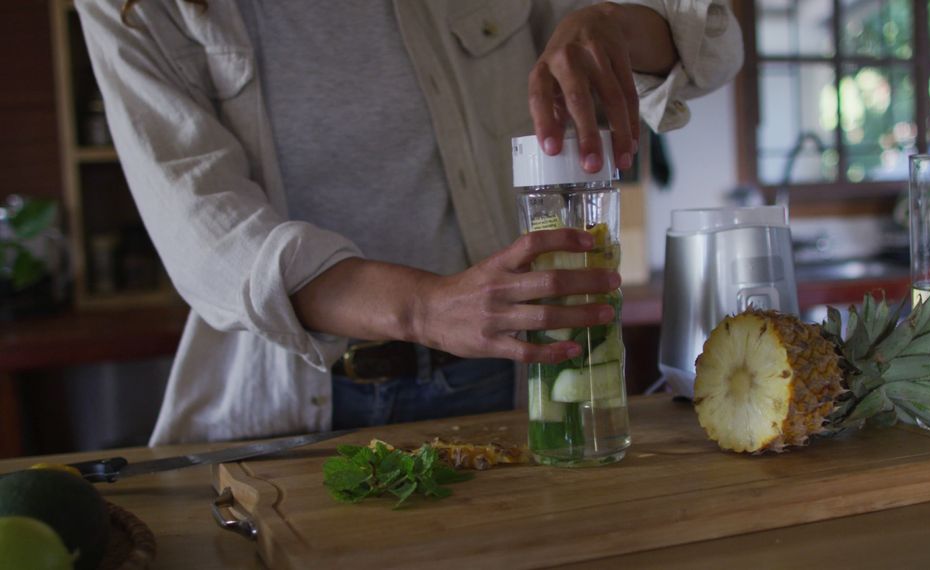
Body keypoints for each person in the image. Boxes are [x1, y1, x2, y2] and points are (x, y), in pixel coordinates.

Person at [75, 0, 743, 445]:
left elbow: (706, 42)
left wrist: (609, 22)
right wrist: (425, 307)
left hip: (506, 391)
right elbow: (204, 232)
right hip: (283, 411)